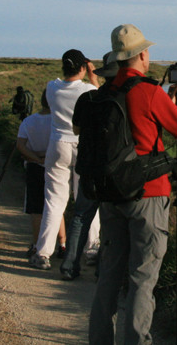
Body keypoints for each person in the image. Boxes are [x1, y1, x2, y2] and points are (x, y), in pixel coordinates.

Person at [89, 25, 177, 344]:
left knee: (109, 277)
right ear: (141, 55)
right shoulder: (148, 92)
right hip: (148, 196)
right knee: (142, 279)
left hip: (111, 195)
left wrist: (165, 102)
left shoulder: (105, 92)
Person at [30, 49, 99, 270]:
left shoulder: (52, 88)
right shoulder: (88, 89)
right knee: (86, 199)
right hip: (82, 146)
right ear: (82, 67)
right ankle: (92, 250)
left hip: (58, 144)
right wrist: (93, 74)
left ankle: (43, 253)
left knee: (54, 201)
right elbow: (97, 96)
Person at [60, 52, 118, 281]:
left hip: (88, 166)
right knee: (110, 221)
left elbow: (76, 130)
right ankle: (103, 270)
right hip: (112, 169)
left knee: (81, 216)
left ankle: (69, 265)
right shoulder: (121, 100)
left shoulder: (88, 98)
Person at [16, 89, 65, 258]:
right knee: (57, 205)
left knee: (37, 209)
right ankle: (62, 243)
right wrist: (47, 156)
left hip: (34, 166)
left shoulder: (29, 121)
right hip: (56, 166)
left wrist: (36, 158)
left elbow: (20, 145)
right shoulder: (59, 121)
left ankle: (37, 245)